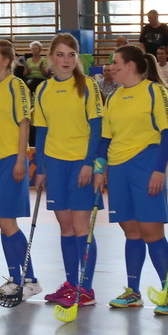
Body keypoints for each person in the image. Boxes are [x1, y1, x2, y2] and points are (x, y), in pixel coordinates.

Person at [89, 44, 168, 313]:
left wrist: (159, 170)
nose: (110, 67)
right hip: (118, 168)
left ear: (130, 65)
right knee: (131, 232)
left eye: (115, 62)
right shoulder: (113, 97)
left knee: (152, 232)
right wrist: (99, 169)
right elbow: (105, 139)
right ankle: (133, 291)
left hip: (145, 164)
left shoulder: (154, 91)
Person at [32, 33, 106, 308]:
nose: (66, 60)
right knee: (65, 227)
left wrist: (89, 163)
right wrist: (41, 167)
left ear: (77, 58)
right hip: (55, 165)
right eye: (60, 54)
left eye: (71, 55)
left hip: (79, 164)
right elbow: (41, 131)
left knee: (80, 227)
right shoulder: (43, 90)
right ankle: (71, 283)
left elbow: (97, 128)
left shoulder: (87, 86)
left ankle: (86, 289)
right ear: (51, 58)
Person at [0, 39, 39, 301]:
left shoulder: (17, 86)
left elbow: (24, 123)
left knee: (8, 223)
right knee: (3, 225)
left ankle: (29, 280)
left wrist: (20, 159)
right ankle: (15, 279)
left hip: (11, 159)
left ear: (6, 60)